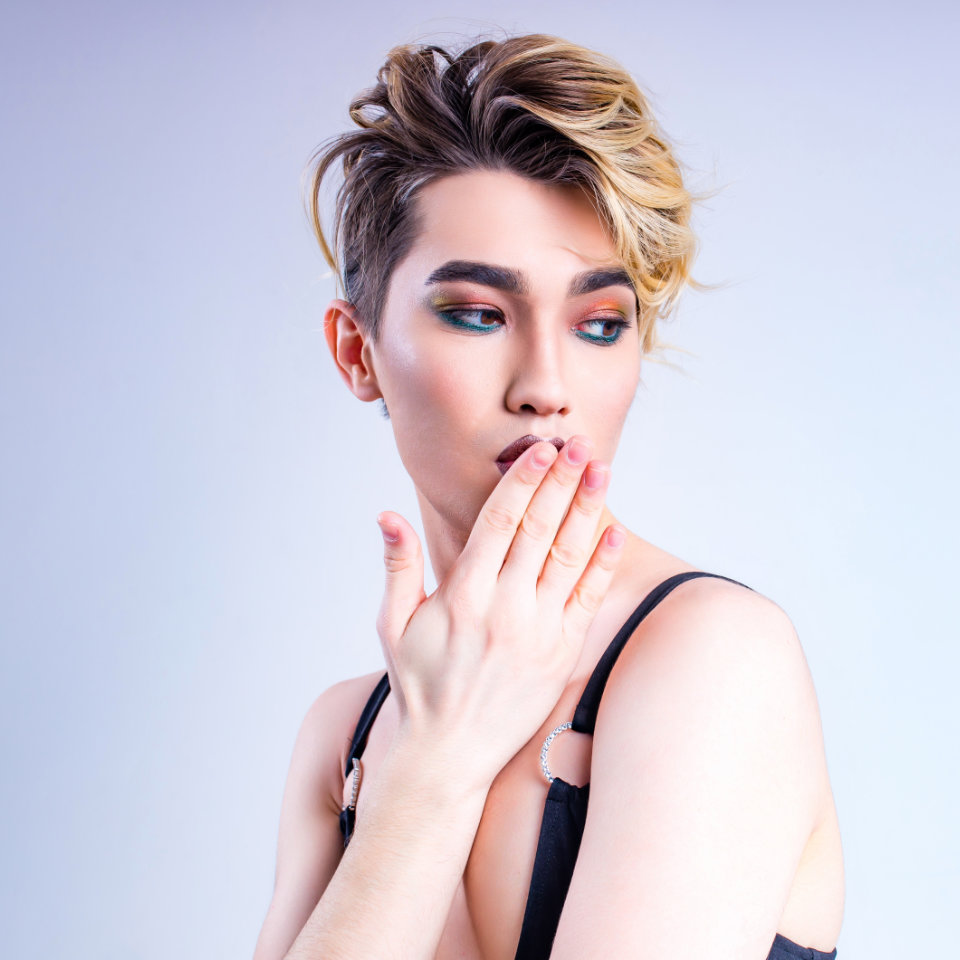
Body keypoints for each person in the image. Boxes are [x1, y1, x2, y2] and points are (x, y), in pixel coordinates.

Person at [252, 33, 844, 960]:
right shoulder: (346, 738)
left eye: (600, 324)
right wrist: (434, 764)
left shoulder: (710, 659)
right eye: (478, 314)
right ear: (357, 352)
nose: (546, 386)